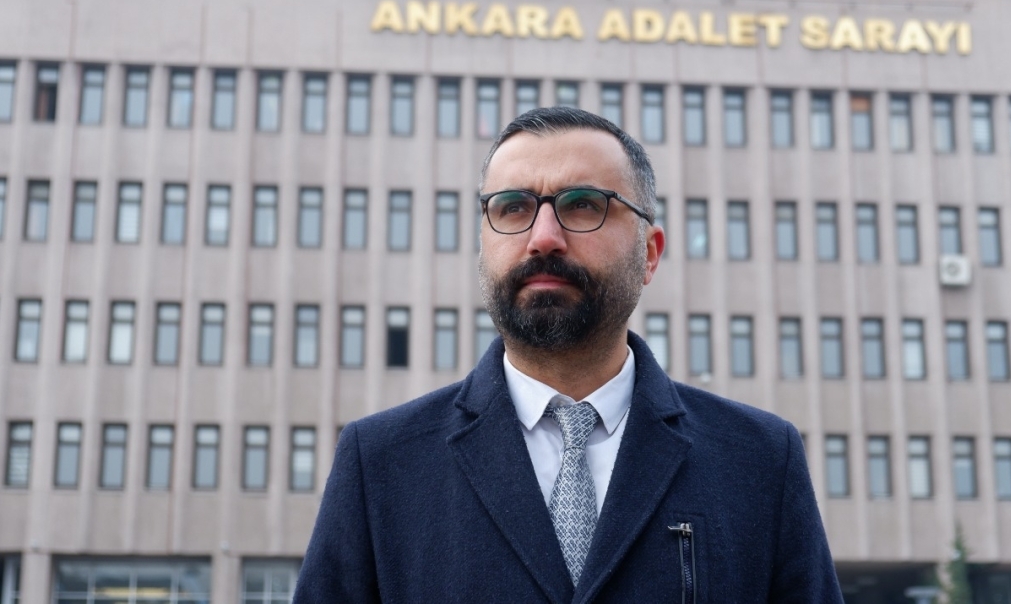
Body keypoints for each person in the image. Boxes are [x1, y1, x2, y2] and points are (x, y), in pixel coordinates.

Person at [293, 107, 843, 603]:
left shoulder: (760, 460)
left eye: (582, 205)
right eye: (513, 207)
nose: (544, 237)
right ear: (483, 247)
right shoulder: (380, 463)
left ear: (649, 254)